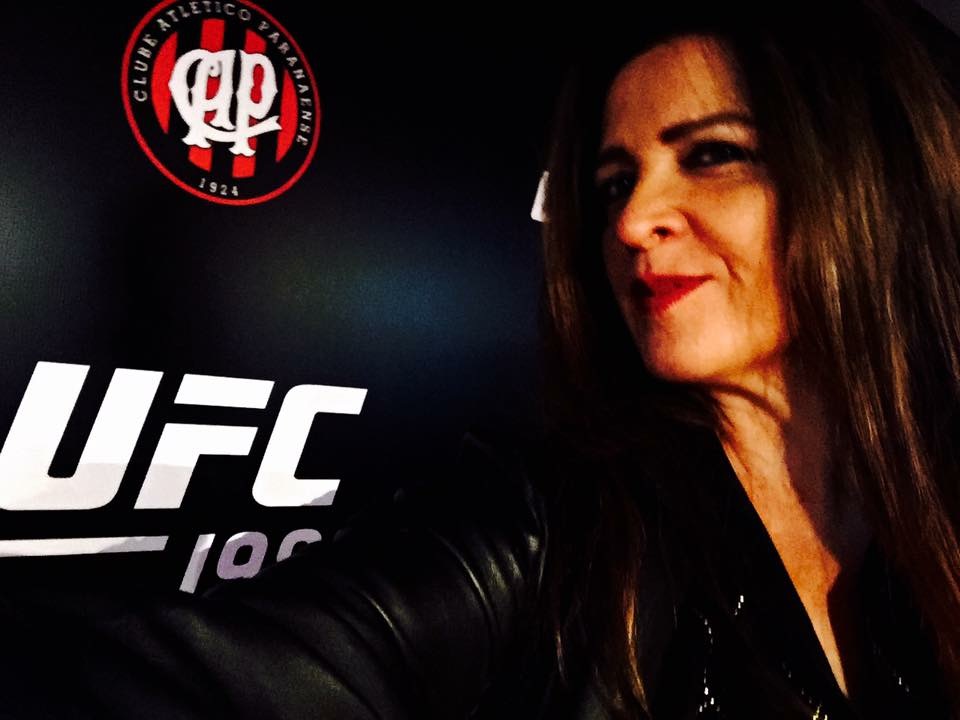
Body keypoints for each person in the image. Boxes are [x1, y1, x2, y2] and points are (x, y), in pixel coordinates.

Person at [2, 0, 959, 718]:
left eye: (711, 155)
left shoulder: (926, 521)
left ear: (867, 186)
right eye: (614, 183)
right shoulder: (546, 530)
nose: (631, 221)